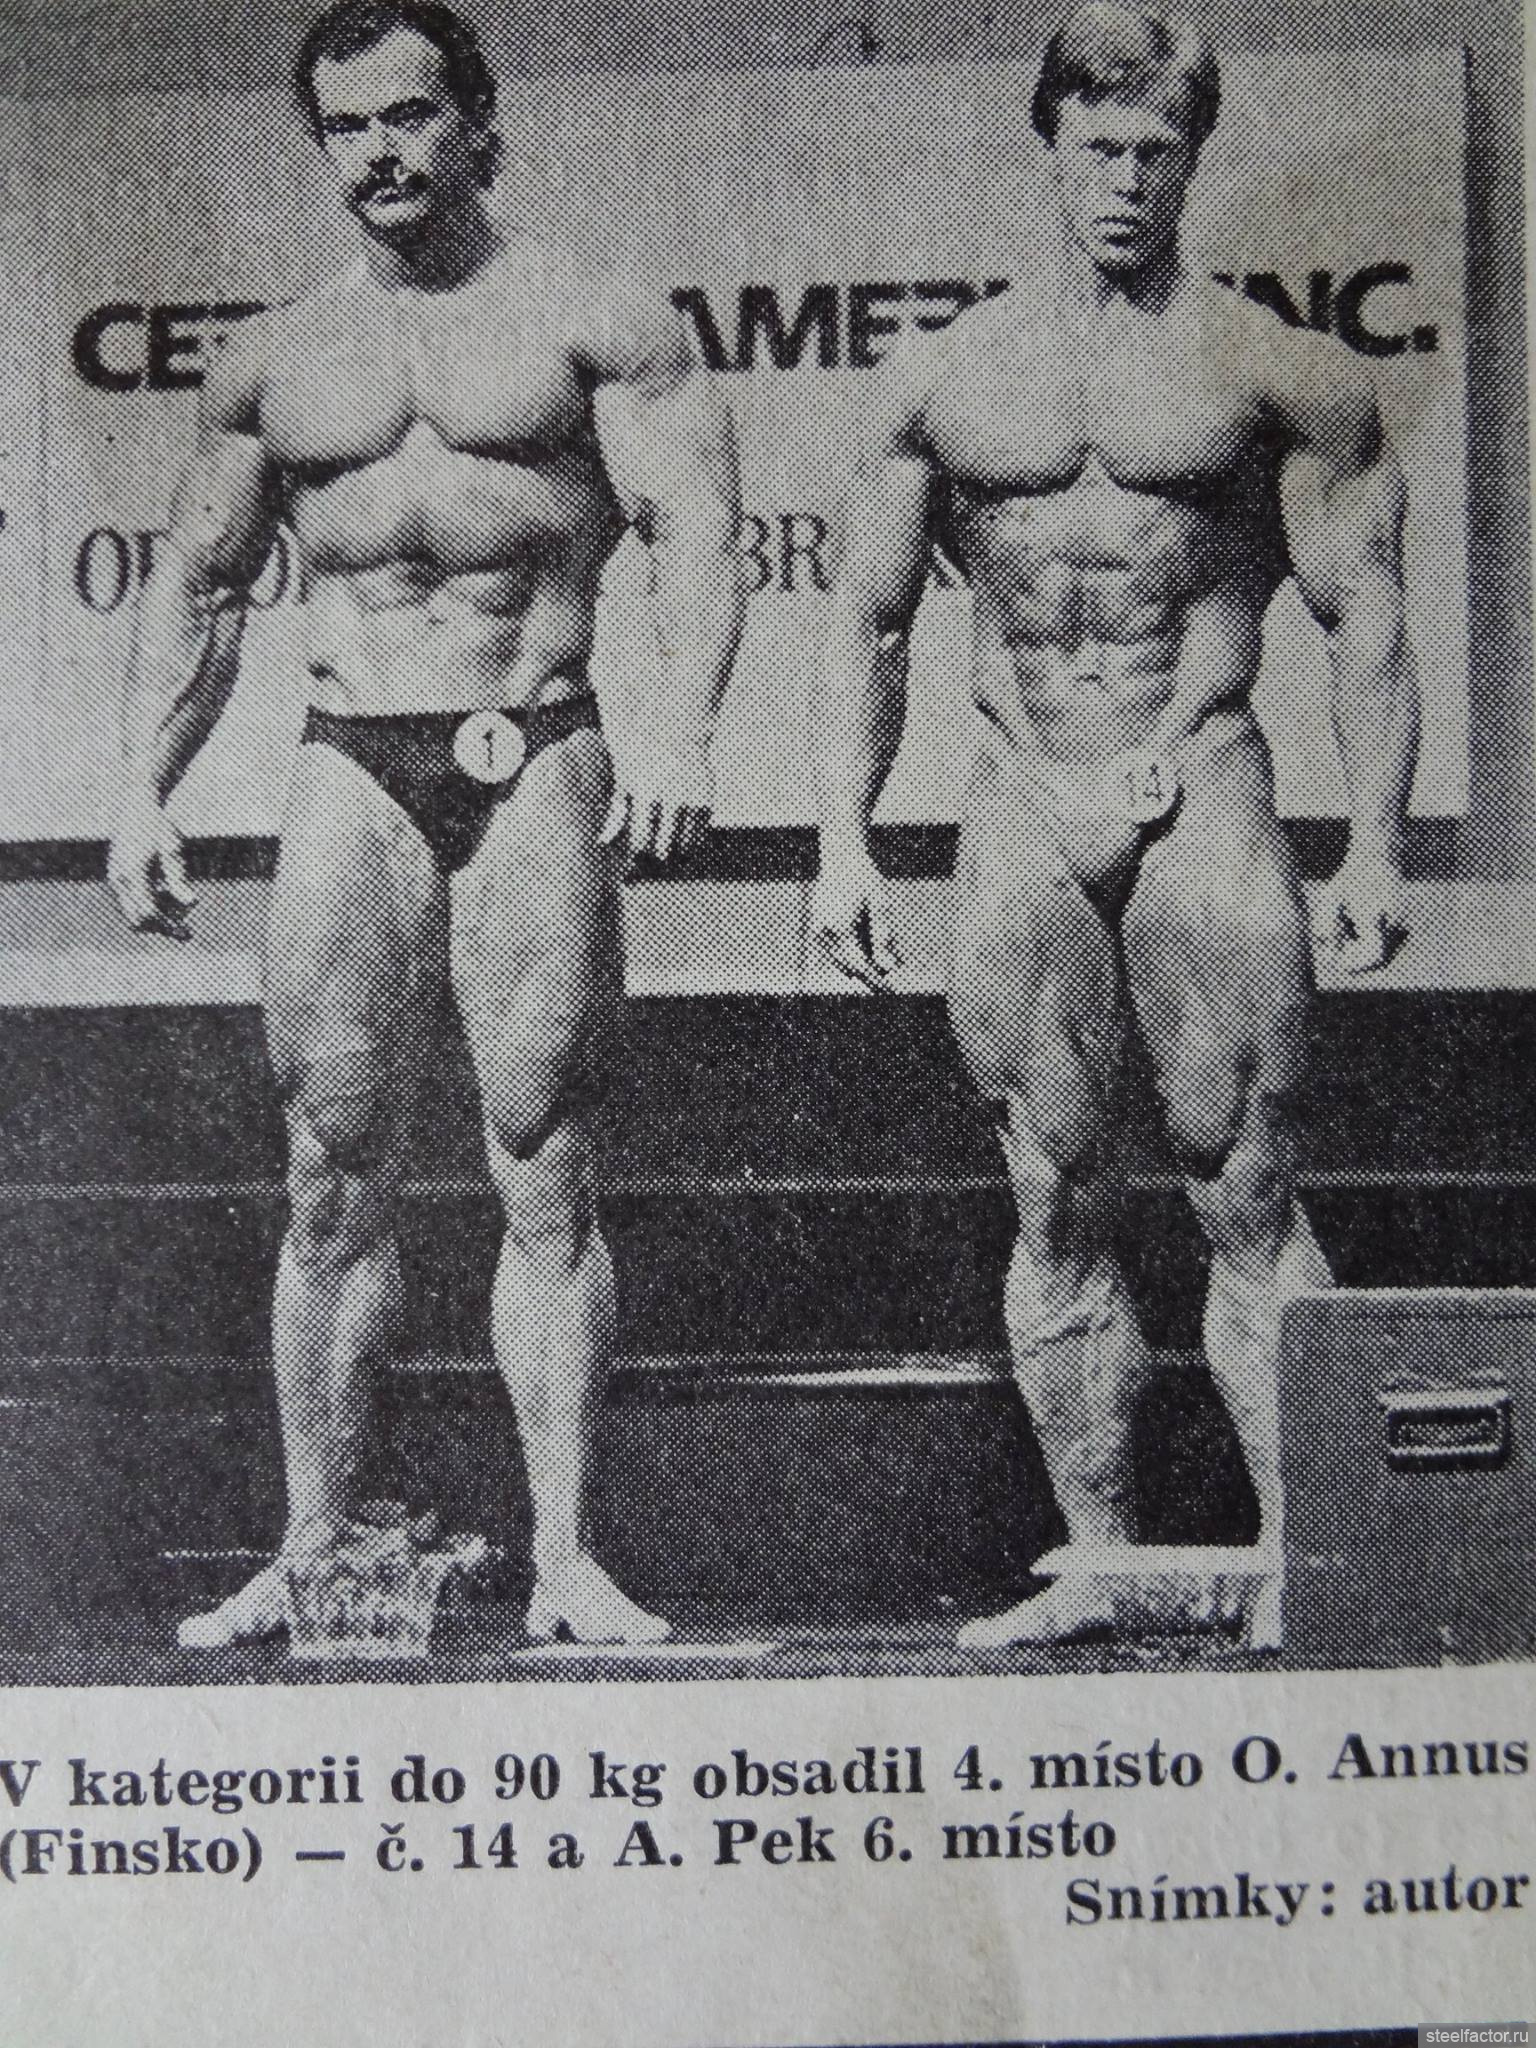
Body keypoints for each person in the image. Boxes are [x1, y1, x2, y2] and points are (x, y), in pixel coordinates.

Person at [107, 0, 745, 1648]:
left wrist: (680, 726)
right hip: (351, 759)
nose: (379, 153)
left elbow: (693, 530)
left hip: (536, 747)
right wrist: (140, 788)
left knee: (546, 1162)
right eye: (347, 127)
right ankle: (313, 1545)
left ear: (478, 124)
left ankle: (567, 1562)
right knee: (328, 1173)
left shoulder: (598, 323)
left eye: (407, 116)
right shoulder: (274, 361)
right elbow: (200, 586)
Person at [813, 1, 1419, 1645]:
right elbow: (869, 624)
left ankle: (1305, 1568)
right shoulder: (943, 377)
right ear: (1051, 145)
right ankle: (1096, 1563)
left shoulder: (1280, 373)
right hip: (1021, 795)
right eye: (1098, 146)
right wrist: (842, 843)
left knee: (1244, 1179)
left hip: (1199, 780)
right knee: (1051, 1189)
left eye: (1156, 150)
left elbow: (1364, 614)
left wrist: (1374, 842)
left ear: (1194, 157)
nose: (1126, 180)